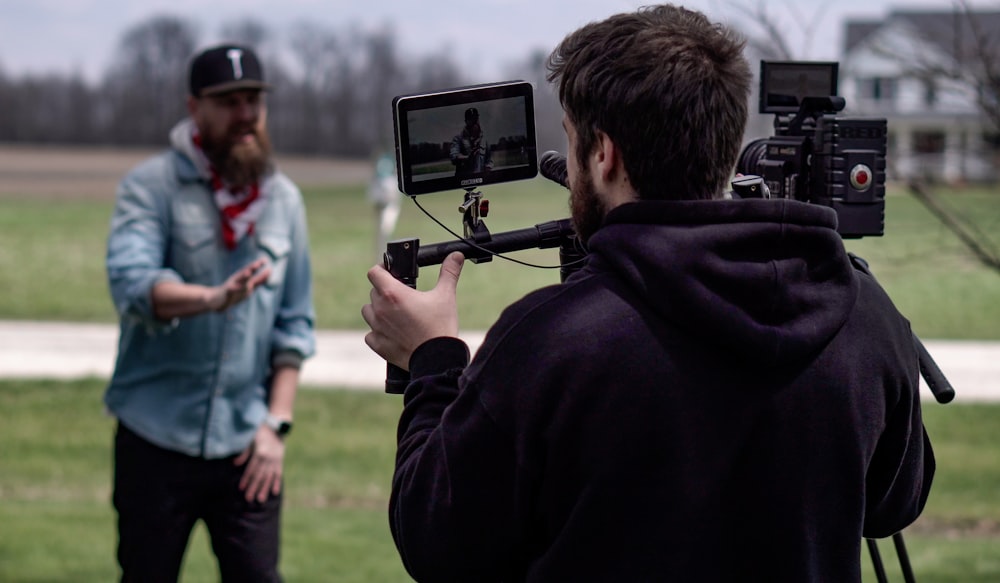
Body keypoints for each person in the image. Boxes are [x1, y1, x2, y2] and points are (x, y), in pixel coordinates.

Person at [361, 4, 934, 582]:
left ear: (603, 154)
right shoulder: (862, 314)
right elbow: (894, 504)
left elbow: (437, 541)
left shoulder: (551, 340)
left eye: (572, 142)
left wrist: (432, 360)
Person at [104, 44, 315, 583]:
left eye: (254, 101)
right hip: (155, 439)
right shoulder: (151, 187)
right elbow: (132, 284)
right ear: (194, 106)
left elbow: (294, 324)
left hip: (248, 445)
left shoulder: (284, 200)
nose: (245, 114)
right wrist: (210, 298)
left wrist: (275, 427)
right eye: (228, 101)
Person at [449, 106, 493, 178]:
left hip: (480, 182)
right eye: (471, 119)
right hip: (463, 182)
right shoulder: (458, 139)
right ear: (466, 121)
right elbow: (453, 157)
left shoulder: (484, 139)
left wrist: (487, 172)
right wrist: (468, 158)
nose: (474, 122)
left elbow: (489, 161)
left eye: (475, 119)